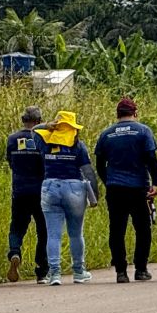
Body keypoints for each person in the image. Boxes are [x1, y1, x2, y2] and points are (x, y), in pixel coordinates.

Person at [94, 97, 157, 283]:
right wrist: (155, 183)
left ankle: (121, 272)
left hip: (115, 188)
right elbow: (151, 159)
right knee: (143, 229)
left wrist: (108, 181)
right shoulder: (143, 131)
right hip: (138, 187)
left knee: (117, 229)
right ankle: (141, 269)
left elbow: (99, 163)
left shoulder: (106, 134)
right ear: (135, 113)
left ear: (117, 114)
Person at [34, 110, 99, 285]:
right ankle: (78, 271)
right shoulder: (78, 146)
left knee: (53, 235)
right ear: (74, 128)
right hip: (74, 187)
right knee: (76, 233)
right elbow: (87, 171)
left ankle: (54, 274)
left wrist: (47, 125)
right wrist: (95, 194)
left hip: (50, 186)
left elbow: (33, 130)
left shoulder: (45, 142)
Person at [5, 106, 50, 285]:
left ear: (23, 120)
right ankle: (41, 271)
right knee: (43, 231)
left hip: (19, 190)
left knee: (16, 227)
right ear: (39, 121)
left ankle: (15, 252)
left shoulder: (12, 139)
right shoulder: (42, 138)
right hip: (40, 191)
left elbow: (11, 162)